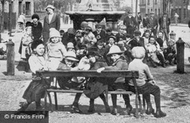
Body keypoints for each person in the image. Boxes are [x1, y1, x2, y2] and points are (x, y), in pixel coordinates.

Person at [127, 46, 166, 118]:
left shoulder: (130, 64)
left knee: (146, 85)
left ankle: (149, 108)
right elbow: (150, 77)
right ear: (143, 55)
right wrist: (150, 80)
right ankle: (158, 110)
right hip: (141, 88)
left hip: (132, 87)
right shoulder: (144, 65)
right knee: (156, 89)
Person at [96, 45, 129, 115]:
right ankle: (118, 106)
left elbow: (116, 69)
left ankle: (117, 106)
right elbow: (113, 67)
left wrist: (104, 68)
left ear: (120, 55)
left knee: (109, 86)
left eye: (114, 55)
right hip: (122, 83)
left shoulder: (120, 62)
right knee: (111, 85)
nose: (112, 57)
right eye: (111, 56)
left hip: (121, 84)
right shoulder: (121, 62)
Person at [18, 40, 50, 111]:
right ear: (34, 49)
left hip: (45, 80)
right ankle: (35, 106)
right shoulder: (32, 58)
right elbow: (33, 69)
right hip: (37, 79)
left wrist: (47, 67)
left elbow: (48, 66)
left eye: (43, 48)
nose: (42, 50)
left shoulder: (45, 58)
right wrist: (39, 69)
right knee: (34, 89)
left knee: (36, 90)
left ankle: (27, 105)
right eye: (40, 48)